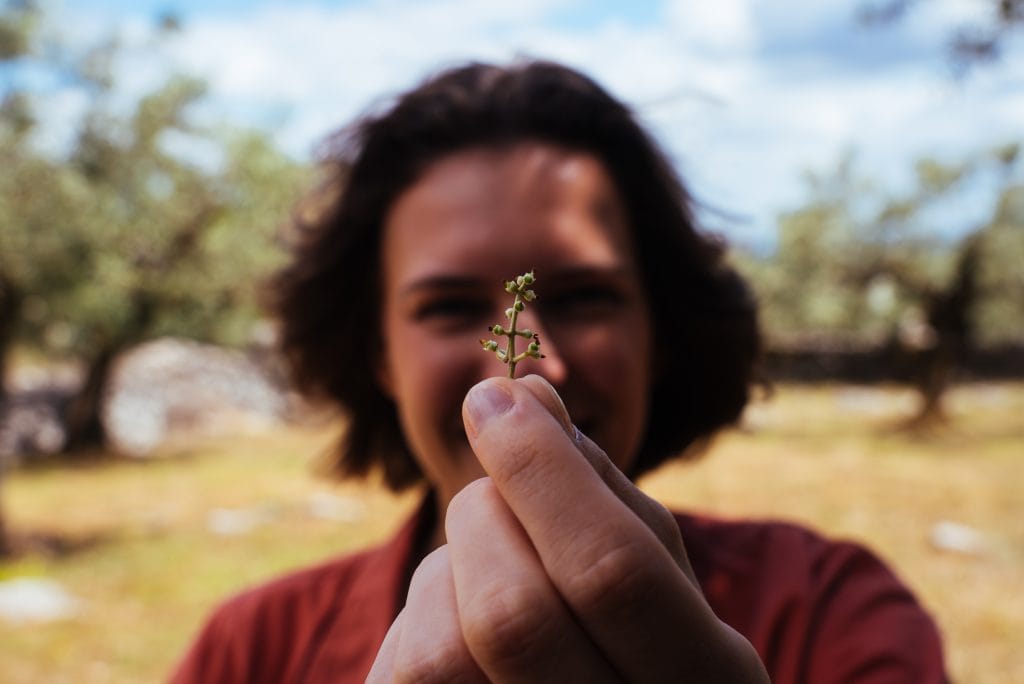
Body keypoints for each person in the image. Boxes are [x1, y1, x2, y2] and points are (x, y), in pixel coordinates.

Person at [170, 59, 947, 683]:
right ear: (379, 353)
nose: (532, 363)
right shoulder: (251, 652)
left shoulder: (827, 611)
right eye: (447, 307)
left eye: (585, 297)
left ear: (660, 331)